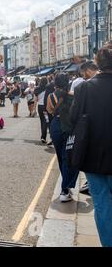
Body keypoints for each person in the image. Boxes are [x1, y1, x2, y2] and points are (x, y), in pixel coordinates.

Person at [70, 46, 112, 247]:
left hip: (93, 154)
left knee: (102, 203)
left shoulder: (83, 88)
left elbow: (73, 119)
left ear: (98, 64)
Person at [47, 73, 78, 203]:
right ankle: (65, 189)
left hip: (56, 127)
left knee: (61, 156)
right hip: (70, 128)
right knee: (70, 157)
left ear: (55, 83)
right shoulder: (74, 95)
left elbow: (49, 111)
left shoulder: (51, 96)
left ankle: (65, 187)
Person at [72, 61, 99, 195]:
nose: (83, 76)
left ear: (88, 70)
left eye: (83, 73)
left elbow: (74, 116)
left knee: (99, 197)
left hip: (92, 145)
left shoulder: (82, 88)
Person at [34, 77, 50, 144]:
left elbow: (35, 100)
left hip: (40, 107)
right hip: (46, 107)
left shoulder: (37, 88)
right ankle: (45, 137)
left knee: (42, 121)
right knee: (46, 121)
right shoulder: (48, 88)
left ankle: (43, 137)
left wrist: (34, 109)